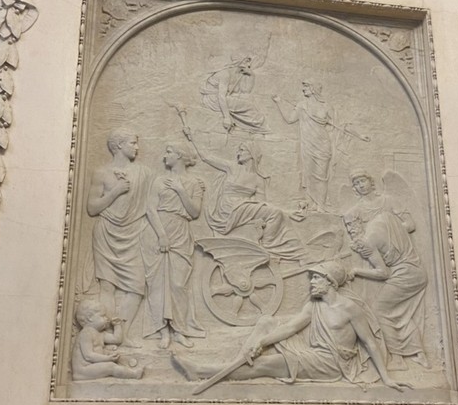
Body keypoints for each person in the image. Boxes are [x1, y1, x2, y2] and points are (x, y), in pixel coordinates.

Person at [174, 260, 407, 391]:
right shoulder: (313, 306)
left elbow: (370, 343)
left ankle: (201, 371)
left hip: (330, 364)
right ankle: (239, 361)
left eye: (316, 278)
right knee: (266, 322)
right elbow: (290, 328)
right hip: (312, 353)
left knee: (266, 365)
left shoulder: (350, 308)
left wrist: (386, 378)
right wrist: (260, 343)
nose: (311, 282)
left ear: (330, 282)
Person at [343, 173, 428, 367]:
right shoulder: (387, 220)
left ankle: (398, 358)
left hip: (400, 273)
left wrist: (356, 270)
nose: (351, 230)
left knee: (380, 310)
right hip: (413, 269)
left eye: (363, 180)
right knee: (397, 313)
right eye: (356, 183)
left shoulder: (384, 212)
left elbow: (383, 272)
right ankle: (416, 352)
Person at [184, 130, 306, 262]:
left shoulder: (258, 179)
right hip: (228, 207)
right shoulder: (233, 168)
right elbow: (206, 157)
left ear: (251, 153)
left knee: (277, 215)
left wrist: (288, 213)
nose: (238, 153)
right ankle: (270, 247)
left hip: (244, 207)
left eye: (242, 150)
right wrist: (192, 137)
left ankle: (293, 250)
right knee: (276, 213)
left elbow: (263, 204)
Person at [87, 129, 153, 345]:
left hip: (133, 233)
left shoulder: (144, 173)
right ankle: (106, 337)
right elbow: (92, 208)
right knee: (107, 286)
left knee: (137, 285)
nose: (137, 148)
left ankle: (122, 333)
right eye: (133, 143)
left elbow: (154, 201)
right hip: (107, 232)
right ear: (118, 145)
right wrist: (116, 190)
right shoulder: (101, 173)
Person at [142, 143, 206, 348]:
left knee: (179, 284)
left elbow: (194, 212)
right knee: (157, 284)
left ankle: (179, 330)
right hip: (158, 231)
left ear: (179, 156)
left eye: (169, 152)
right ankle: (162, 331)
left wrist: (180, 190)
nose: (164, 156)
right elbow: (150, 209)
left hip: (181, 232)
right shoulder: (159, 181)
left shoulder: (194, 183)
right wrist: (162, 235)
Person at [273, 81, 333, 211]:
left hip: (323, 144)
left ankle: (321, 205)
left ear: (313, 88)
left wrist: (360, 135)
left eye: (306, 86)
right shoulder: (302, 105)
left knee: (321, 176)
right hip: (308, 144)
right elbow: (290, 119)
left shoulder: (326, 106)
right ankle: (313, 203)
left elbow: (339, 125)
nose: (303, 89)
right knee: (309, 174)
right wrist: (279, 102)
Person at [72, 297, 144, 380]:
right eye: (102, 316)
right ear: (90, 317)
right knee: (111, 366)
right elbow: (88, 356)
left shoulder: (100, 333)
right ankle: (134, 375)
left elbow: (117, 339)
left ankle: (129, 370)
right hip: (83, 370)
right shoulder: (86, 333)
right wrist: (107, 358)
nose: (106, 318)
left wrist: (117, 325)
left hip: (92, 366)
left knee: (116, 360)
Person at [200, 54, 268, 133]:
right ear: (240, 61)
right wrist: (226, 118)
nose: (249, 65)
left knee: (250, 102)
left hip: (222, 98)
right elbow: (221, 96)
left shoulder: (238, 74)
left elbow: (246, 90)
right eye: (247, 61)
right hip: (213, 99)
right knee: (249, 106)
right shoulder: (225, 74)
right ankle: (259, 127)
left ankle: (251, 126)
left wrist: (251, 75)